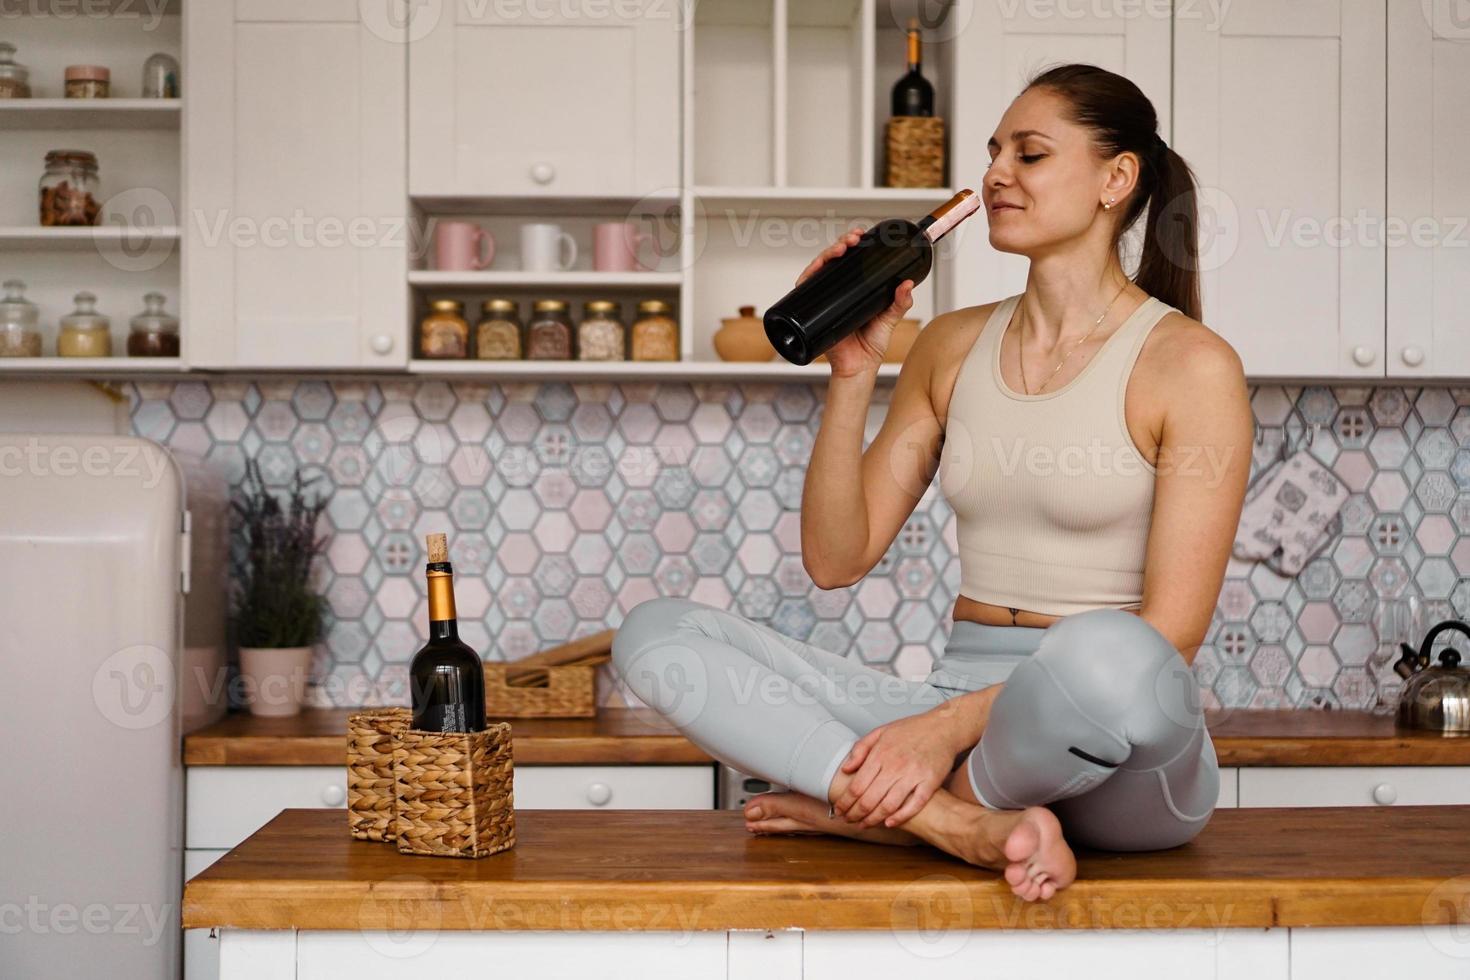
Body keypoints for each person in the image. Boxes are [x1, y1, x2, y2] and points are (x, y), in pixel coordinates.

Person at [611, 63, 1253, 903]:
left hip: (1123, 749)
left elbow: (1169, 640)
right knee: (655, 635)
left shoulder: (1190, 366)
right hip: (954, 707)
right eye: (994, 154)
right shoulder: (947, 348)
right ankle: (958, 824)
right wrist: (853, 371)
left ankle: (866, 803)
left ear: (1116, 179)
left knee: (1109, 650)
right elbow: (836, 558)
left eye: (1029, 155)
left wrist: (937, 732)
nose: (994, 175)